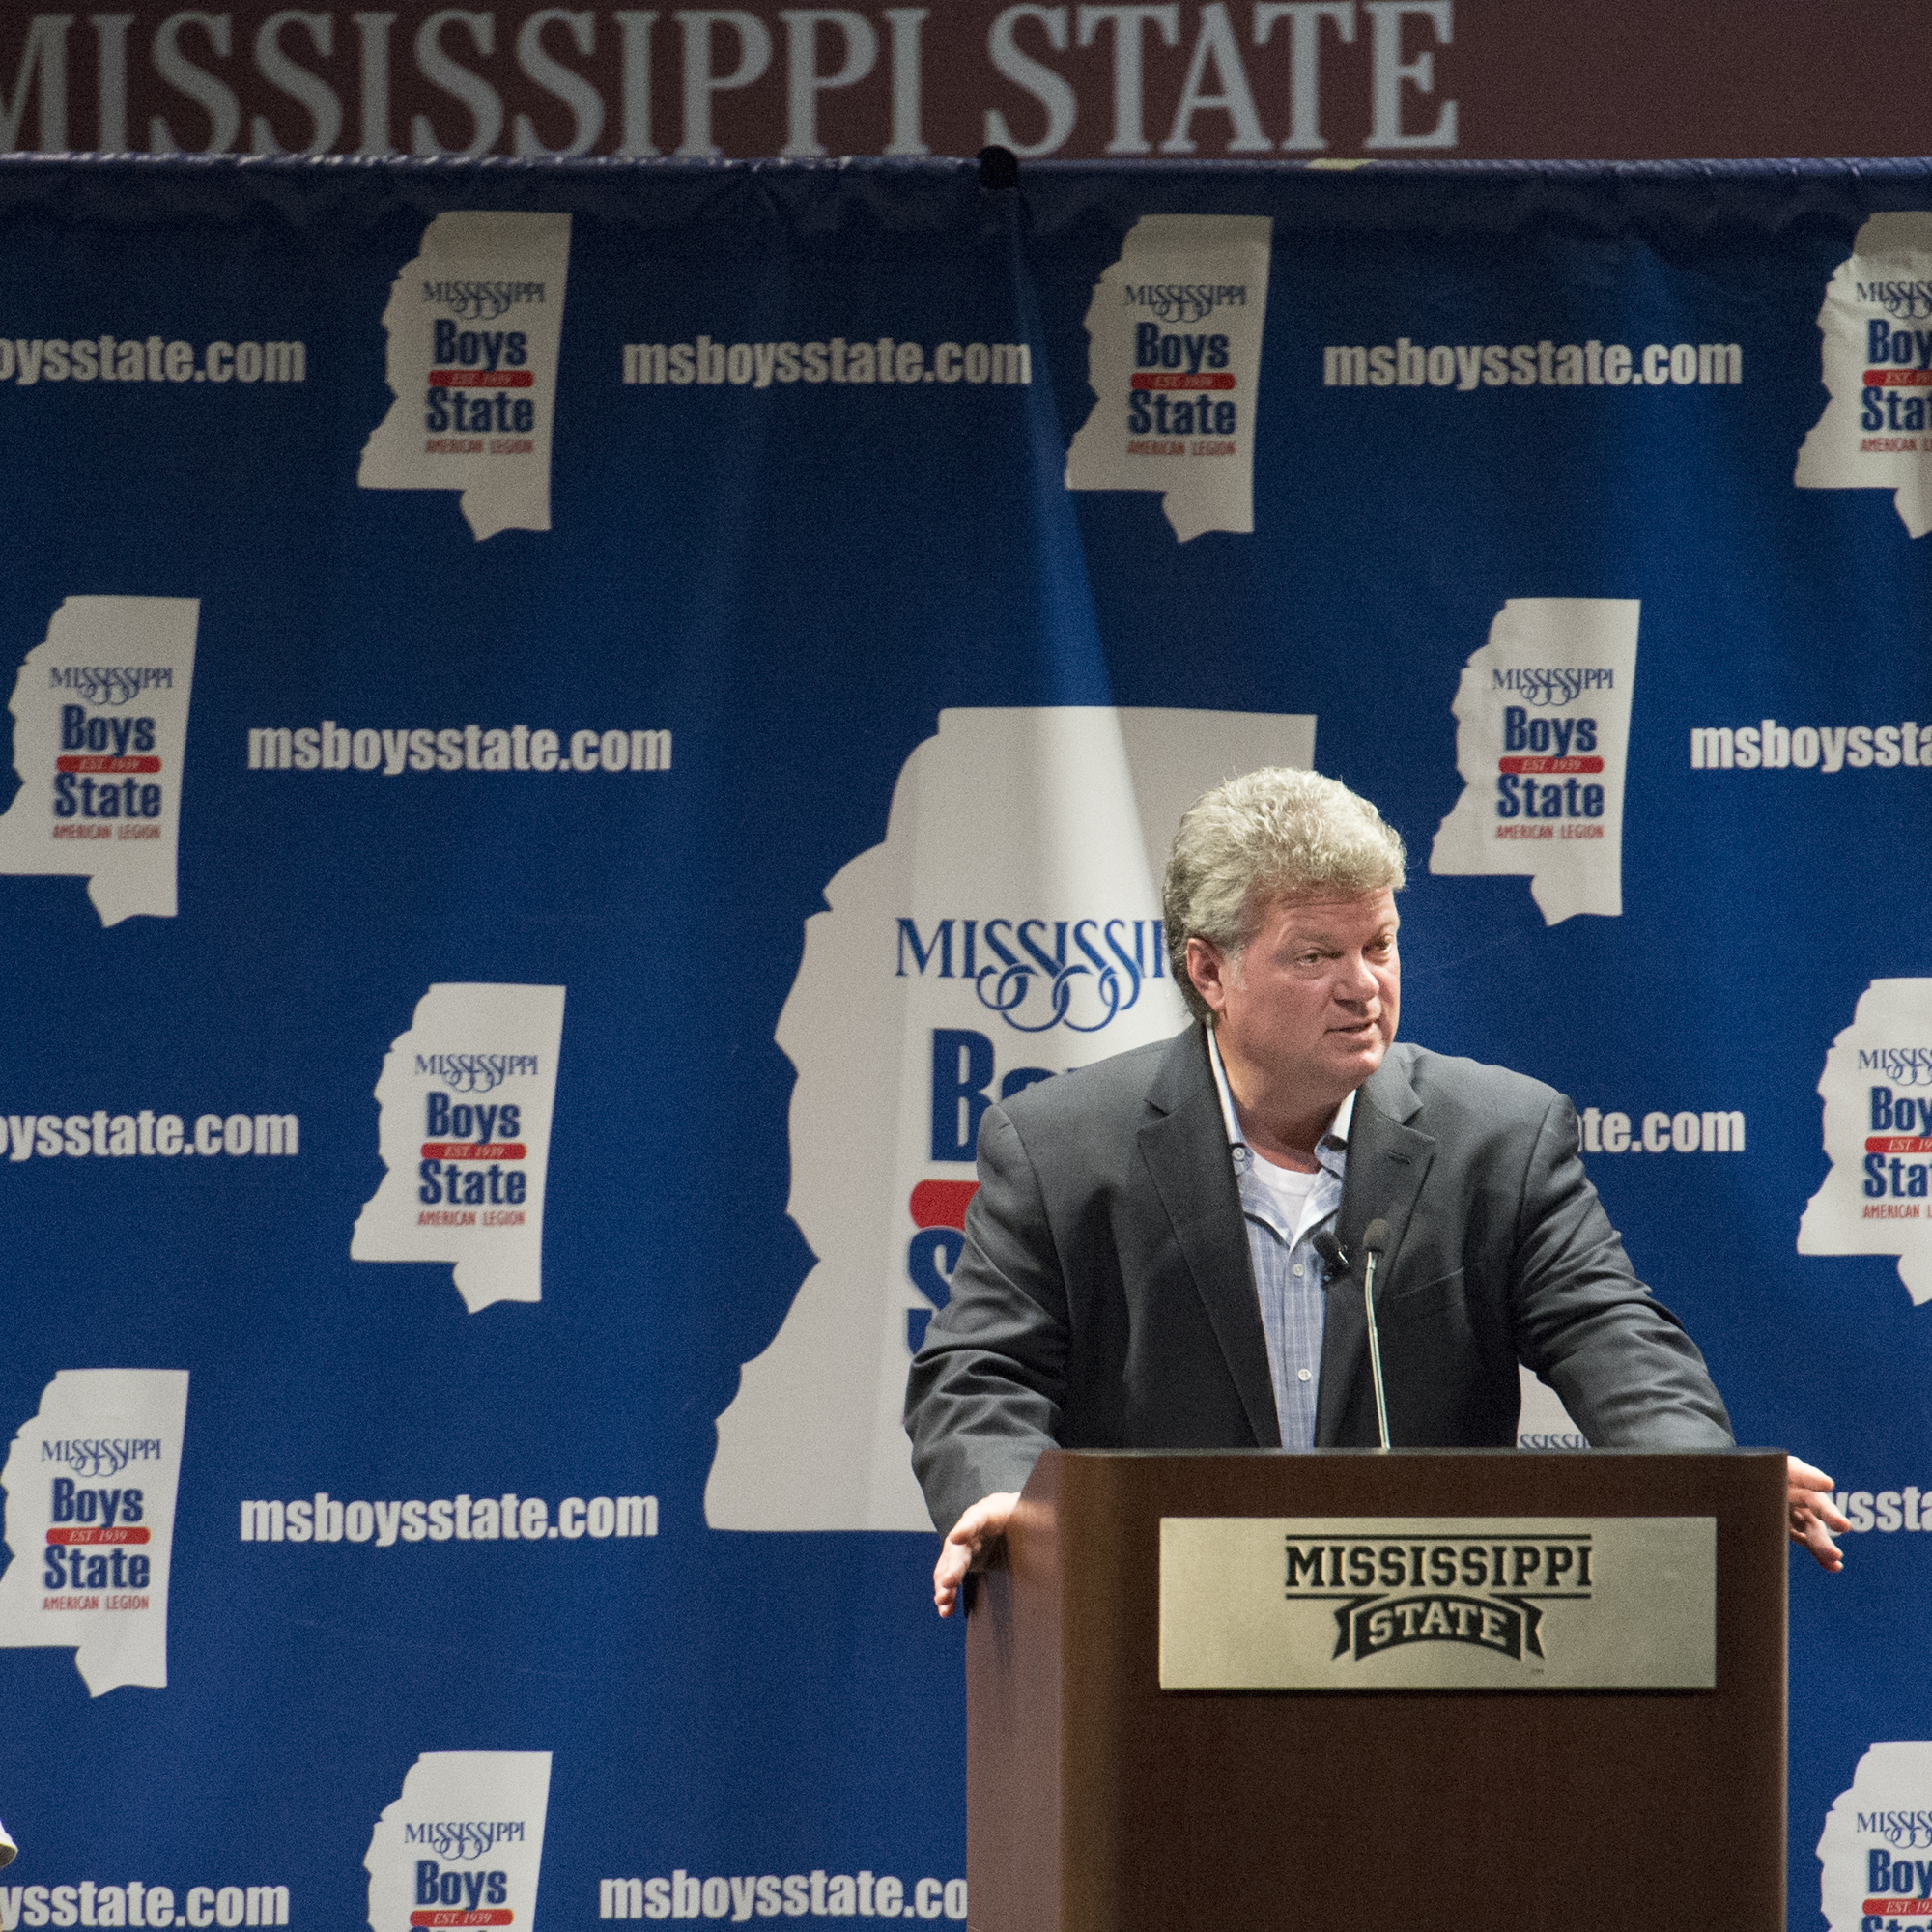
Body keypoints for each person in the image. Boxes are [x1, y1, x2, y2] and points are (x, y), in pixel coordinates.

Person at [903, 766, 1848, 1615]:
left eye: (1380, 944)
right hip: (1156, 1636)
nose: (1363, 986)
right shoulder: (1064, 1147)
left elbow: (1615, 1338)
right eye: (1314, 956)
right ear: (1207, 971)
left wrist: (1704, 1483)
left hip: (1424, 1641)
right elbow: (975, 1373)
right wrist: (1006, 1497)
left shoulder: (1498, 1139)